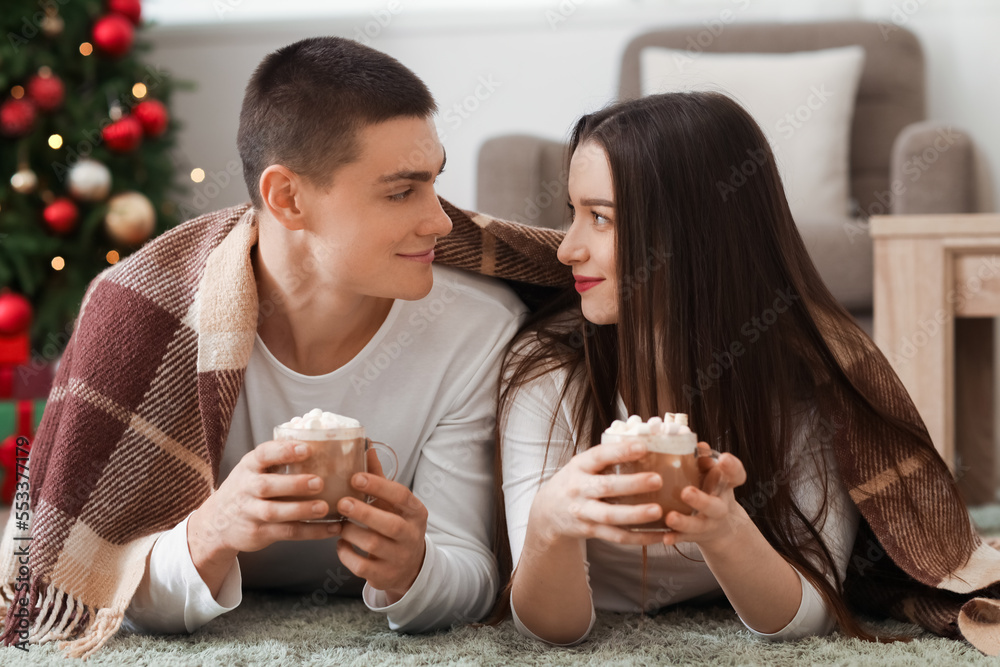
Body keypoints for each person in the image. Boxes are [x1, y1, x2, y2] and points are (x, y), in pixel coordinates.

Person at [0, 36, 570, 658]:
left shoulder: (478, 326)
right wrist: (211, 533)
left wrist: (414, 566)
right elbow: (75, 585)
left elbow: (472, 573)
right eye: (401, 191)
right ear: (288, 198)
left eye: (434, 182)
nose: (440, 220)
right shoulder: (144, 319)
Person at [495, 91, 989, 647]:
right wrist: (549, 526)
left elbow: (810, 613)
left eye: (601, 219)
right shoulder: (549, 367)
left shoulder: (805, 381)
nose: (568, 249)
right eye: (573, 214)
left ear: (693, 233)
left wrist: (723, 528)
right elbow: (547, 630)